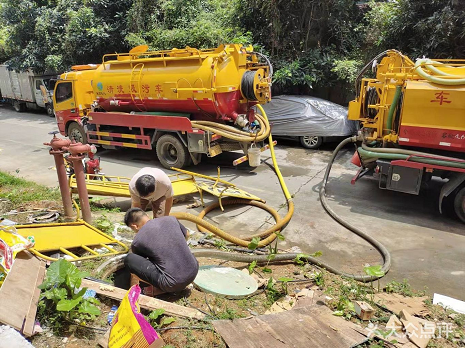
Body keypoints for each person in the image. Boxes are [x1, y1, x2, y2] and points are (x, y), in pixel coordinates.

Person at [123, 208, 199, 295]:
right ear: (147, 216)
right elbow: (187, 234)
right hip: (194, 270)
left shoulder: (138, 240)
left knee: (129, 259)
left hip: (172, 283)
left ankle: (153, 290)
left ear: (134, 226)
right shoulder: (170, 219)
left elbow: (141, 264)